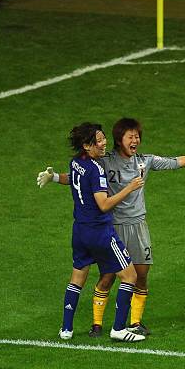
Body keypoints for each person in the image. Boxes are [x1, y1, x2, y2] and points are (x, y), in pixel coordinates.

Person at [38, 117, 185, 337]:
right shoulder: (104, 160)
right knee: (109, 277)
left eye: (137, 136)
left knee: (140, 274)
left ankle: (134, 322)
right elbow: (80, 180)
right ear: (119, 140)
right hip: (112, 226)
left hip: (137, 226)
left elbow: (175, 161)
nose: (135, 140)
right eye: (130, 136)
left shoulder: (144, 161)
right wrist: (55, 178)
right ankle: (99, 325)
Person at [60, 122, 146, 342]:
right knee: (130, 276)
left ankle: (66, 329)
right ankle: (118, 329)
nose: (104, 142)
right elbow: (104, 204)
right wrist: (130, 187)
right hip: (99, 232)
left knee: (77, 277)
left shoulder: (75, 163)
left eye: (103, 138)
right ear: (87, 146)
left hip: (79, 231)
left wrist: (52, 178)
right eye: (99, 141)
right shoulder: (96, 169)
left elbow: (72, 180)